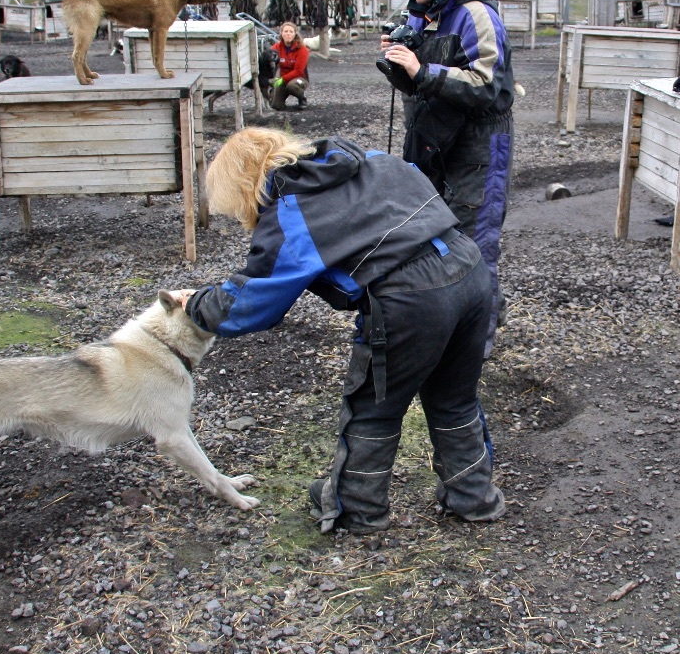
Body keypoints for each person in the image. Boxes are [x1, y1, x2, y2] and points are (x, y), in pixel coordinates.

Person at [183, 127, 506, 533]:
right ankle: (474, 498)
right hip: (470, 268)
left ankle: (356, 508)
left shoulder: (291, 210)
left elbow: (251, 304)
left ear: (245, 185)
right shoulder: (371, 157)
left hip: (412, 298)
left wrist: (193, 306)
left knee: (374, 407)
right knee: (455, 398)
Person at [379, 0, 516, 356]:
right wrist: (397, 65)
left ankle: (476, 348)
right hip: (433, 141)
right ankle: (478, 311)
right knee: (434, 235)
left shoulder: (476, 15)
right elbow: (419, 85)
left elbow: (488, 85)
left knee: (476, 240)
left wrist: (422, 69)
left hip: (480, 145)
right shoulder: (420, 15)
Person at [269, 21, 309, 110]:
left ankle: (302, 98)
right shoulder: (276, 47)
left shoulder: (302, 49)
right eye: (285, 31)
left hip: (300, 78)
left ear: (295, 34)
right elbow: (270, 63)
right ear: (281, 33)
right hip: (283, 79)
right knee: (276, 106)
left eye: (291, 32)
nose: (288, 34)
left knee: (292, 86)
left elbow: (298, 71)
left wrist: (282, 79)